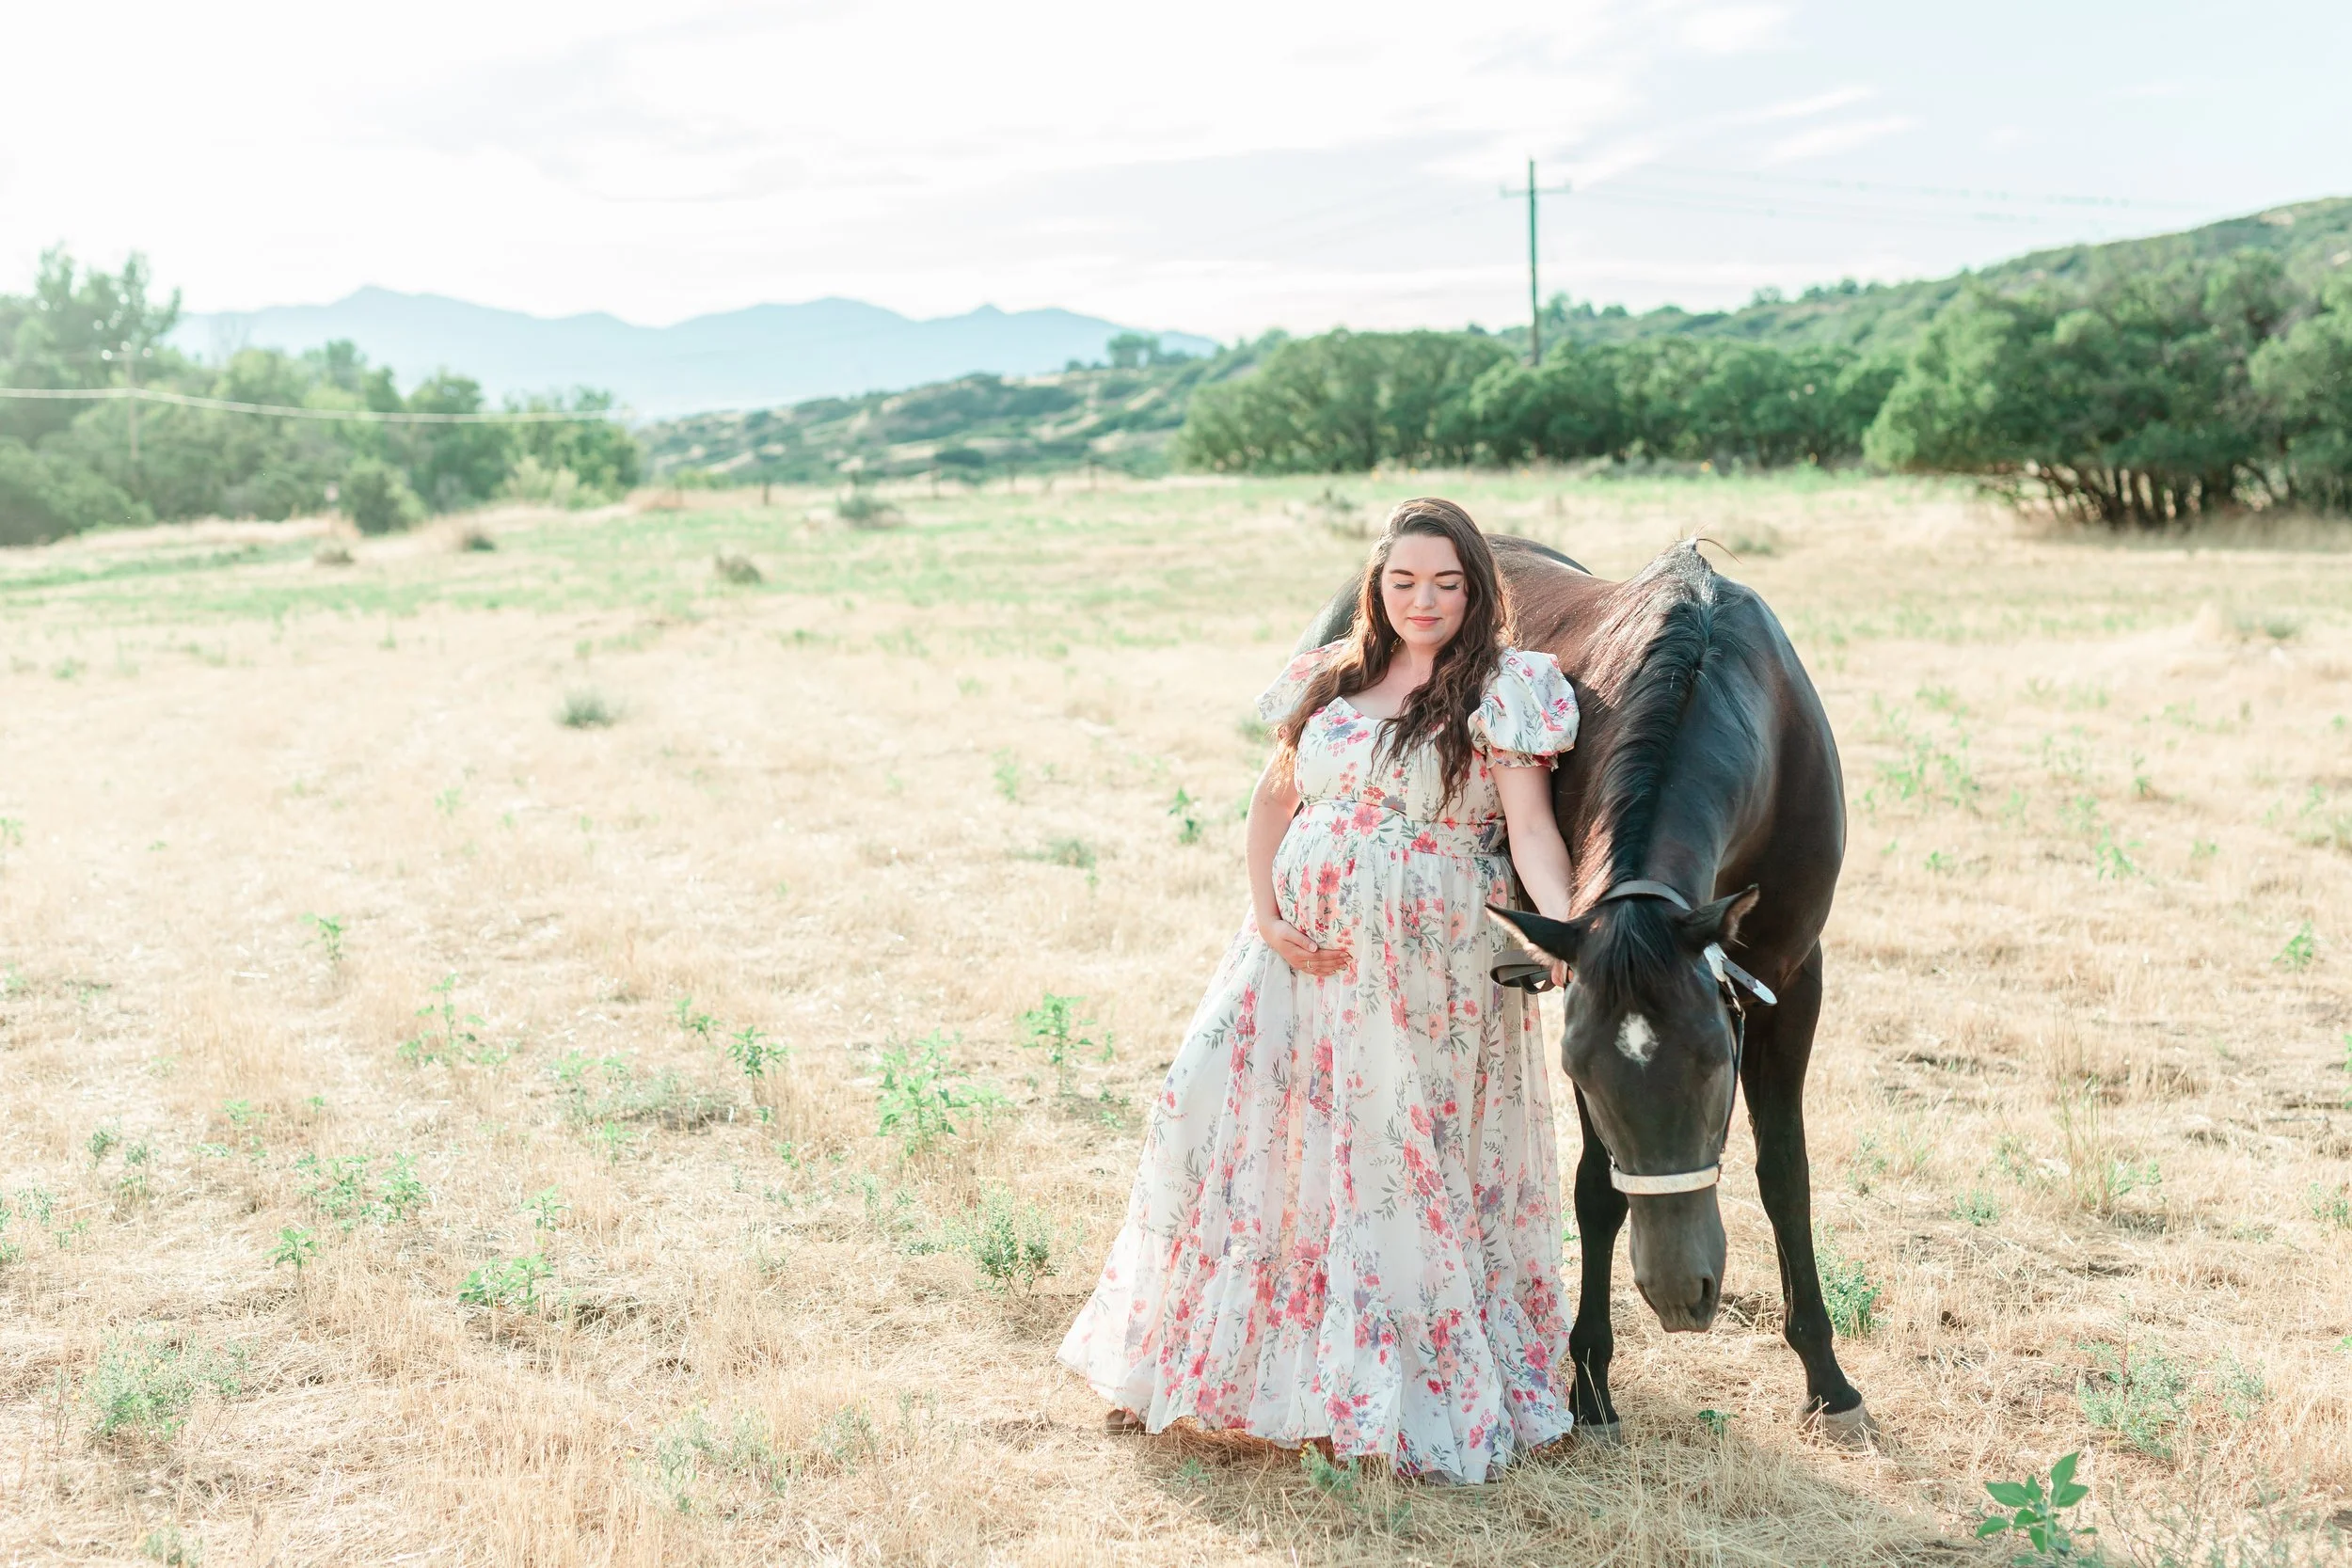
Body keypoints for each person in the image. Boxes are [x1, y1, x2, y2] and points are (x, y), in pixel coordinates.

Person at [1057, 497, 1581, 1484]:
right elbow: (1273, 798)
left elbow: (1532, 830)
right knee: (1216, 1116)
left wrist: (1563, 926)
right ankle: (1233, 1364)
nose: (1422, 599)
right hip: (1294, 961)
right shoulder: (1334, 681)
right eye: (1402, 580)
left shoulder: (1506, 690)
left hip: (1425, 973)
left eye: (1445, 581)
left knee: (1391, 1158)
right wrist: (1266, 914)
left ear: (1475, 589)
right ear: (1377, 586)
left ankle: (1395, 1386)